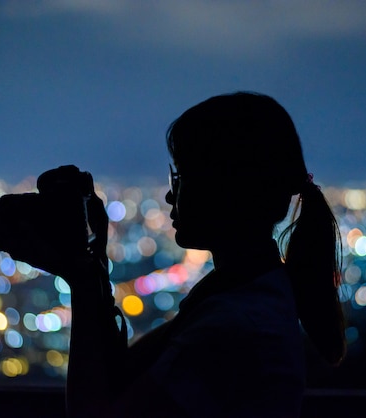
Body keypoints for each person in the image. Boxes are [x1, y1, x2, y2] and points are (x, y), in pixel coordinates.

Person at [59, 92, 346, 417]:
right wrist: (93, 258)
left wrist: (82, 278)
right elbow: (123, 375)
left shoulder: (230, 327)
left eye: (180, 177)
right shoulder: (247, 292)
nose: (170, 194)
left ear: (223, 189)